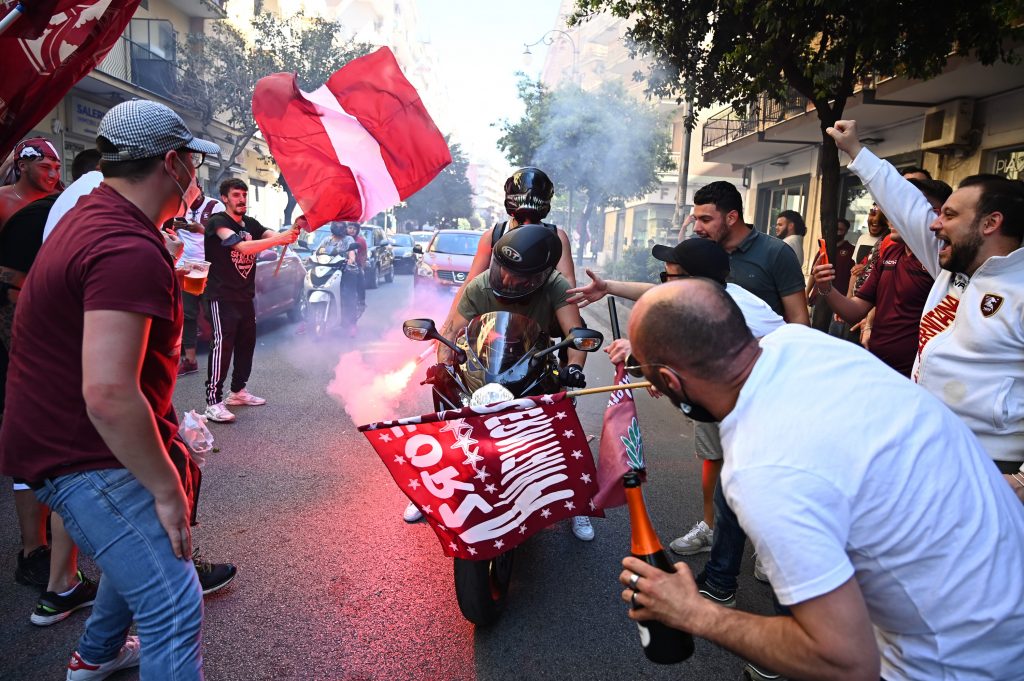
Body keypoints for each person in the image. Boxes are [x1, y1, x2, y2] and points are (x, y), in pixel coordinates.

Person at [623, 278, 1024, 680]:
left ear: (670, 382)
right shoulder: (801, 342)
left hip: (963, 661)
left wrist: (694, 613)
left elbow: (845, 661)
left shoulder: (762, 467)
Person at [0, 99, 221, 679]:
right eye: (192, 164)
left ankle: (95, 656)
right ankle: (99, 654)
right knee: (174, 604)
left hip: (61, 438)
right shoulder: (125, 245)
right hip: (83, 451)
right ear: (172, 164)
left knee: (140, 555)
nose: (194, 178)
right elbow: (108, 394)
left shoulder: (98, 214)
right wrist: (167, 486)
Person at [828, 119, 1024, 490]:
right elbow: (906, 207)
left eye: (949, 215)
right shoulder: (951, 264)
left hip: (993, 470)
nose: (934, 225)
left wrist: (1020, 482)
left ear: (990, 223)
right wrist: (856, 150)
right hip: (932, 448)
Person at [567, 239, 784, 559]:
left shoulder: (726, 310)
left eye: (669, 277)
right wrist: (609, 286)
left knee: (754, 476)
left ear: (694, 283)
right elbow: (659, 297)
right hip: (726, 395)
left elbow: (712, 357)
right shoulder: (705, 295)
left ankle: (771, 548)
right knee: (715, 459)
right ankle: (713, 530)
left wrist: (649, 359)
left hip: (766, 405)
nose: (662, 283)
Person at [411, 225, 595, 540]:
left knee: (563, 418)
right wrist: (443, 363)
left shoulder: (556, 287)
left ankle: (578, 503)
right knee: (448, 414)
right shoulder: (480, 286)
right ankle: (428, 491)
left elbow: (574, 335)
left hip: (534, 361)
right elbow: (451, 327)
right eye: (504, 270)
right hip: (485, 364)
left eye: (518, 276)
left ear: (540, 275)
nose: (507, 280)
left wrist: (574, 369)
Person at [811, 180, 950, 377]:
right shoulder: (889, 250)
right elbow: (855, 310)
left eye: (903, 207)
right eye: (891, 206)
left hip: (917, 376)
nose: (890, 216)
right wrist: (826, 287)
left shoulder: (944, 261)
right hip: (877, 366)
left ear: (934, 214)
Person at [440, 167, 576, 340]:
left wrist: (560, 309)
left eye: (532, 221)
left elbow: (568, 285)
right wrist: (447, 328)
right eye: (522, 219)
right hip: (495, 316)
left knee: (575, 334)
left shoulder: (556, 237)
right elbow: (470, 282)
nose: (526, 225)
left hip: (536, 315)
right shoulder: (493, 236)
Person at [202, 178, 299, 423]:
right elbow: (241, 248)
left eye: (244, 195)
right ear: (225, 198)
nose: (242, 199)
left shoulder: (251, 224)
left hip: (245, 297)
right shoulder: (218, 222)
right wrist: (279, 239)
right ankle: (213, 402)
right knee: (222, 346)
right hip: (221, 296)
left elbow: (273, 236)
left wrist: (291, 232)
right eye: (236, 195)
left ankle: (238, 392)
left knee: (247, 344)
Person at [690, 181, 808, 323]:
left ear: (731, 218)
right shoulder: (700, 251)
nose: (696, 228)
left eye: (705, 219)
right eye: (695, 219)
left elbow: (799, 319)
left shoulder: (777, 252)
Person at [176, 188, 224, 376]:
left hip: (209, 268)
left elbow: (223, 237)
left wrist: (201, 229)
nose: (190, 194)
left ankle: (220, 355)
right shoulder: (179, 207)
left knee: (213, 313)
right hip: (187, 268)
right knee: (188, 315)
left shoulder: (214, 206)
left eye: (192, 190)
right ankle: (190, 361)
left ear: (200, 189)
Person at [805, 217, 855, 335]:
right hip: (819, 298)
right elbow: (814, 272)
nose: (837, 232)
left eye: (840, 230)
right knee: (815, 331)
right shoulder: (823, 249)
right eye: (835, 229)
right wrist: (807, 292)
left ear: (846, 231)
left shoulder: (851, 250)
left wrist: (848, 299)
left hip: (839, 300)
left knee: (834, 333)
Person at [343, 221, 368, 315]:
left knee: (360, 278)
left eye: (354, 229)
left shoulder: (361, 241)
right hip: (339, 264)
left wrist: (361, 265)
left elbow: (364, 254)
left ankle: (361, 301)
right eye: (350, 228)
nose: (352, 230)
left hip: (355, 266)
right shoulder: (341, 238)